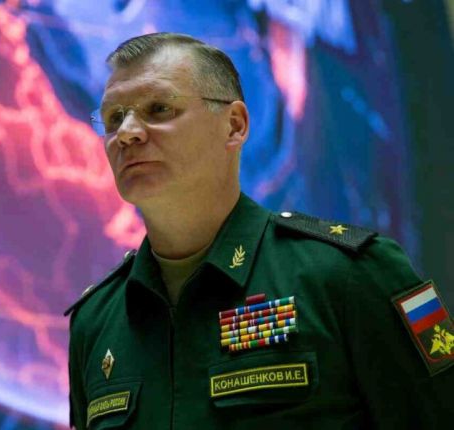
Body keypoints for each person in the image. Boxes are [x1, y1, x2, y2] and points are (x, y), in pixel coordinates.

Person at [64, 33, 453, 429]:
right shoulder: (96, 321)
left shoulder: (356, 273)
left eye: (159, 108)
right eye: (113, 118)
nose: (127, 132)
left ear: (234, 125)